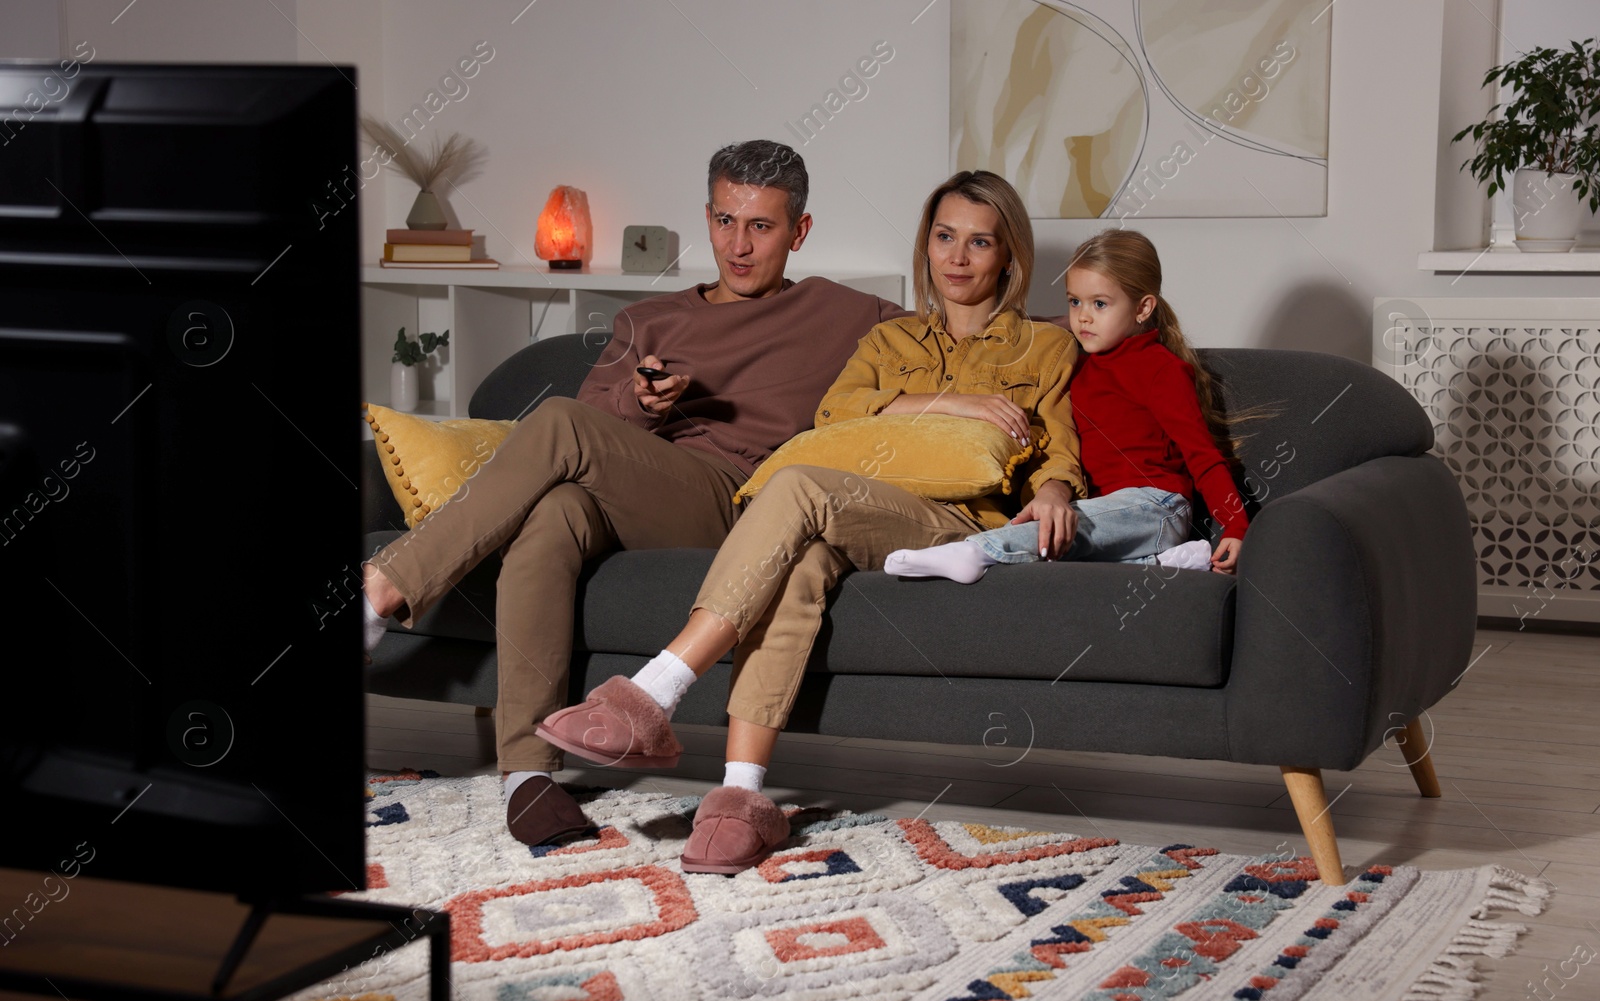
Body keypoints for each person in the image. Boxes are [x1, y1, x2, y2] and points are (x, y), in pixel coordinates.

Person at [534, 170, 1084, 874]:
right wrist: (952, 404)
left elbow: (1060, 447)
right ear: (927, 243)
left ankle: (654, 692)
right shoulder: (891, 340)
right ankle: (740, 798)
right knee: (795, 565)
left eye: (980, 243)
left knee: (793, 485)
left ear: (1007, 256)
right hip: (858, 508)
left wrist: (1058, 489)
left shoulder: (1045, 348)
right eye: (945, 237)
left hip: (950, 524)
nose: (957, 257)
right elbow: (836, 413)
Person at [361, 140, 901, 847]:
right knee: (551, 515)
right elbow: (587, 429)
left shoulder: (848, 313)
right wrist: (646, 404)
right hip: (644, 492)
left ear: (799, 232)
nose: (738, 246)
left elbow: (969, 327)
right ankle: (528, 777)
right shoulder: (649, 318)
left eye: (762, 227)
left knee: (554, 423)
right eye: (725, 221)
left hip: (742, 509)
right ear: (707, 215)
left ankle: (378, 592)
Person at [884, 228, 1247, 584]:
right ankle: (1164, 563)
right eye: (1075, 301)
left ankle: (974, 551)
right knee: (1063, 535)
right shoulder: (1076, 365)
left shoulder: (1161, 369)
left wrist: (1235, 526)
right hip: (1111, 516)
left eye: (1099, 304)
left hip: (1156, 507)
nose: (1083, 316)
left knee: (1063, 524)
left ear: (1143, 308)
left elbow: (1202, 455)